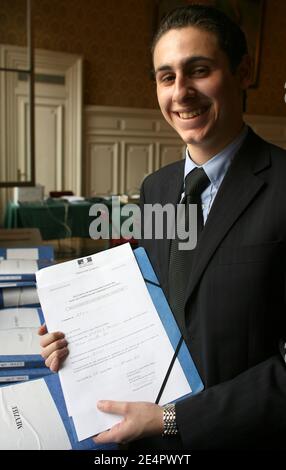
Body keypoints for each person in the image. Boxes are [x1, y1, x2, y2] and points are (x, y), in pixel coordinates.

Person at [39, 5, 286, 450]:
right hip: (148, 433)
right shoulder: (157, 187)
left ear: (243, 71)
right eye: (166, 76)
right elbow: (154, 304)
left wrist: (173, 422)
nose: (181, 92)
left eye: (199, 70)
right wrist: (76, 339)